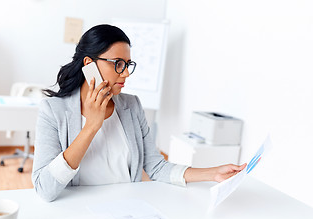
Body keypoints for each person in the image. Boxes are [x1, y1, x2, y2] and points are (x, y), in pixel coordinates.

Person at [32, 24, 246, 202]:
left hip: (129, 211)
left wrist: (212, 173)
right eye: (118, 64)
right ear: (89, 64)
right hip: (81, 216)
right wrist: (91, 127)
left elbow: (156, 166)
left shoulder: (131, 106)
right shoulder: (53, 111)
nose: (125, 73)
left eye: (127, 64)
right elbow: (45, 189)